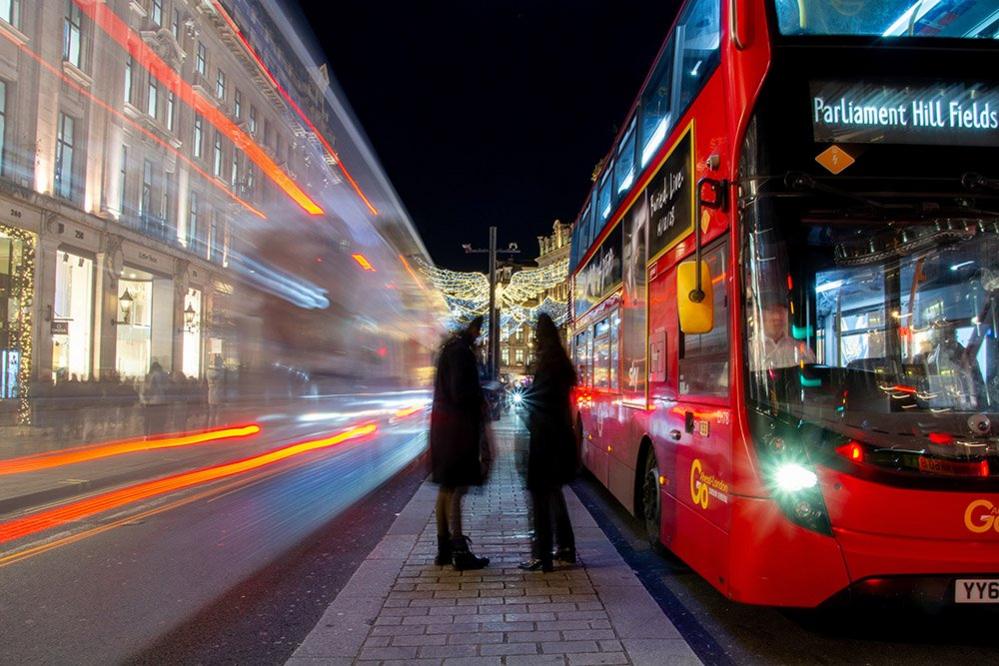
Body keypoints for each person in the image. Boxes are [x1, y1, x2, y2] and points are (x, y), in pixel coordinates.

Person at [429, 316, 491, 571]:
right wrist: (481, 397)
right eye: (478, 333)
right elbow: (461, 391)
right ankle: (459, 549)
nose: (479, 338)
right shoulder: (461, 353)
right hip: (457, 430)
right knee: (457, 487)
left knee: (447, 487)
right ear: (472, 330)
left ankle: (444, 549)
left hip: (444, 429)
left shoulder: (448, 350)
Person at [519, 313, 578, 573]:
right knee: (553, 494)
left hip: (546, 441)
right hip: (560, 439)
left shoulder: (547, 363)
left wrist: (527, 408)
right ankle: (566, 548)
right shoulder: (561, 361)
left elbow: (539, 400)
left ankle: (542, 556)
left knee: (540, 498)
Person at [755, 298, 815, 370]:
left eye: (781, 311)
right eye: (771, 311)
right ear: (760, 315)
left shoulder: (803, 351)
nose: (777, 317)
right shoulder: (750, 352)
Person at [140, 361, 168, 438]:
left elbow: (150, 388)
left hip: (151, 401)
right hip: (162, 400)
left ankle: (148, 435)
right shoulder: (165, 375)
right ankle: (159, 435)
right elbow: (167, 388)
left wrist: (146, 398)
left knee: (149, 420)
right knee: (159, 421)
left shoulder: (151, 375)